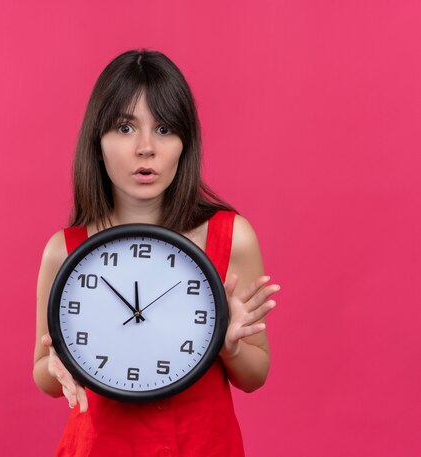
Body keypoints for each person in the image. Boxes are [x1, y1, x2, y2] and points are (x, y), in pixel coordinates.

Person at [33, 49, 280, 457]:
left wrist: (228, 344)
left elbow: (255, 377)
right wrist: (57, 365)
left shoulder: (232, 237)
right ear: (98, 142)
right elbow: (43, 373)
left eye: (164, 129)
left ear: (185, 143)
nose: (146, 148)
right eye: (125, 128)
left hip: (202, 446)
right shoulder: (65, 250)